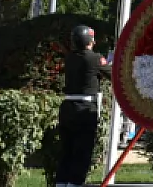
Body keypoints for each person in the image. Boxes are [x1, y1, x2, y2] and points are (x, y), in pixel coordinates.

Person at [54, 25, 111, 187]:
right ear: (90, 41)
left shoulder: (70, 58)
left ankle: (61, 183)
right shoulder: (95, 58)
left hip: (67, 107)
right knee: (82, 152)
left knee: (67, 152)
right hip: (85, 109)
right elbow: (112, 74)